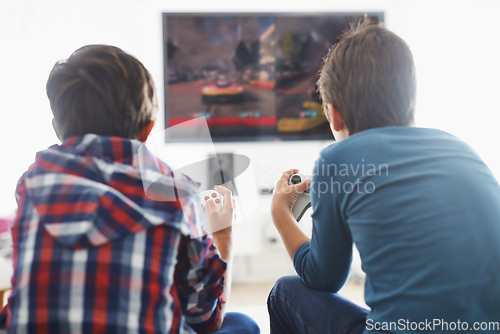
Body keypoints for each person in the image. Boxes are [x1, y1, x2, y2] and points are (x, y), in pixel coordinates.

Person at [1, 45, 259, 334]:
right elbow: (206, 319)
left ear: (57, 128)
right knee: (243, 324)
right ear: (147, 130)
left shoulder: (31, 182)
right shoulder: (176, 193)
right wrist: (224, 236)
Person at [268, 20, 500, 334]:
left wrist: (280, 214)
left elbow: (324, 278)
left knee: (285, 292)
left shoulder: (335, 161)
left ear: (334, 115)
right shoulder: (459, 147)